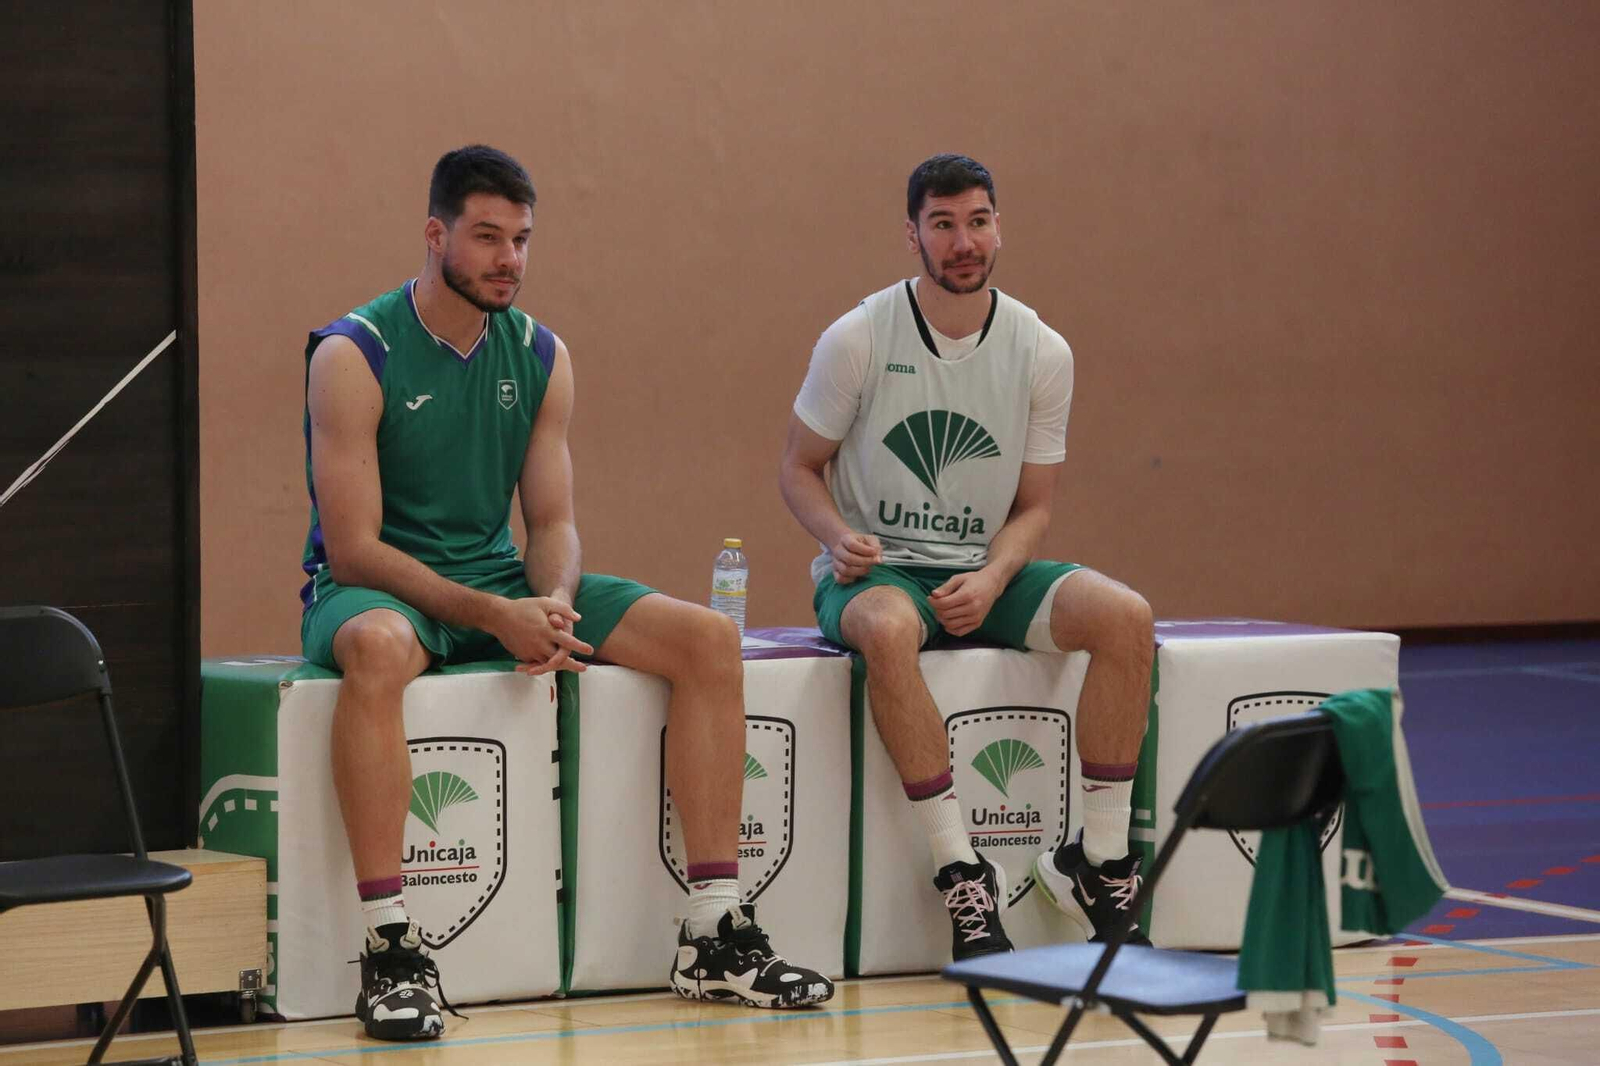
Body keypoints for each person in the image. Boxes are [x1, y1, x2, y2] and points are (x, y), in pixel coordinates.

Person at [299, 145, 832, 1040]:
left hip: (501, 580)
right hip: (382, 588)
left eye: (522, 239)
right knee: (380, 647)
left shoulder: (542, 355)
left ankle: (714, 930)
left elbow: (552, 521)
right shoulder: (355, 353)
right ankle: (391, 948)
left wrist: (549, 603)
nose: (509, 258)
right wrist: (491, 614)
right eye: (486, 237)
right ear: (435, 237)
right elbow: (353, 551)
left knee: (706, 639)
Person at [778, 153, 1154, 960]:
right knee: (884, 628)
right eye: (943, 224)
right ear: (911, 234)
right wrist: (835, 536)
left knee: (1126, 618)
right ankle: (961, 874)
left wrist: (991, 577)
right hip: (880, 576)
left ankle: (1100, 858)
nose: (962, 241)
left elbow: (1036, 507)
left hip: (987, 571)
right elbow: (798, 468)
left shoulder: (1041, 350)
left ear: (998, 227)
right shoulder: (858, 337)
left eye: (977, 221)